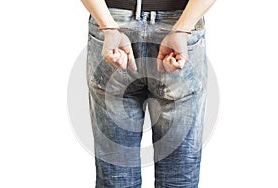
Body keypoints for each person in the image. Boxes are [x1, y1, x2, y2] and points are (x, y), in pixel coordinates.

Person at [81, 0, 216, 187]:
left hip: (114, 20)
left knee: (117, 179)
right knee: (178, 178)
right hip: (178, 22)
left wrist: (108, 27)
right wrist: (181, 29)